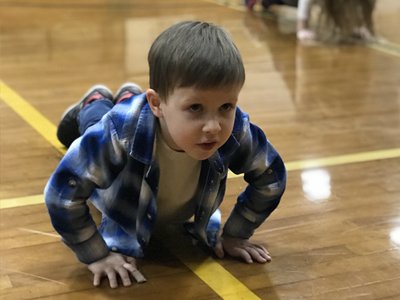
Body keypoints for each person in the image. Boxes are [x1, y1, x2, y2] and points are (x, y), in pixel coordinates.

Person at [44, 20, 287, 289]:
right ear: (157, 104)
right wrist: (96, 255)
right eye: (195, 108)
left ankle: (128, 95)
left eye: (226, 106)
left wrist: (236, 234)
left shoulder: (236, 130)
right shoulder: (119, 132)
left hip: (146, 115)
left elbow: (270, 176)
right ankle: (95, 101)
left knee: (125, 115)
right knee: (95, 124)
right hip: (118, 131)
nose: (214, 126)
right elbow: (61, 194)